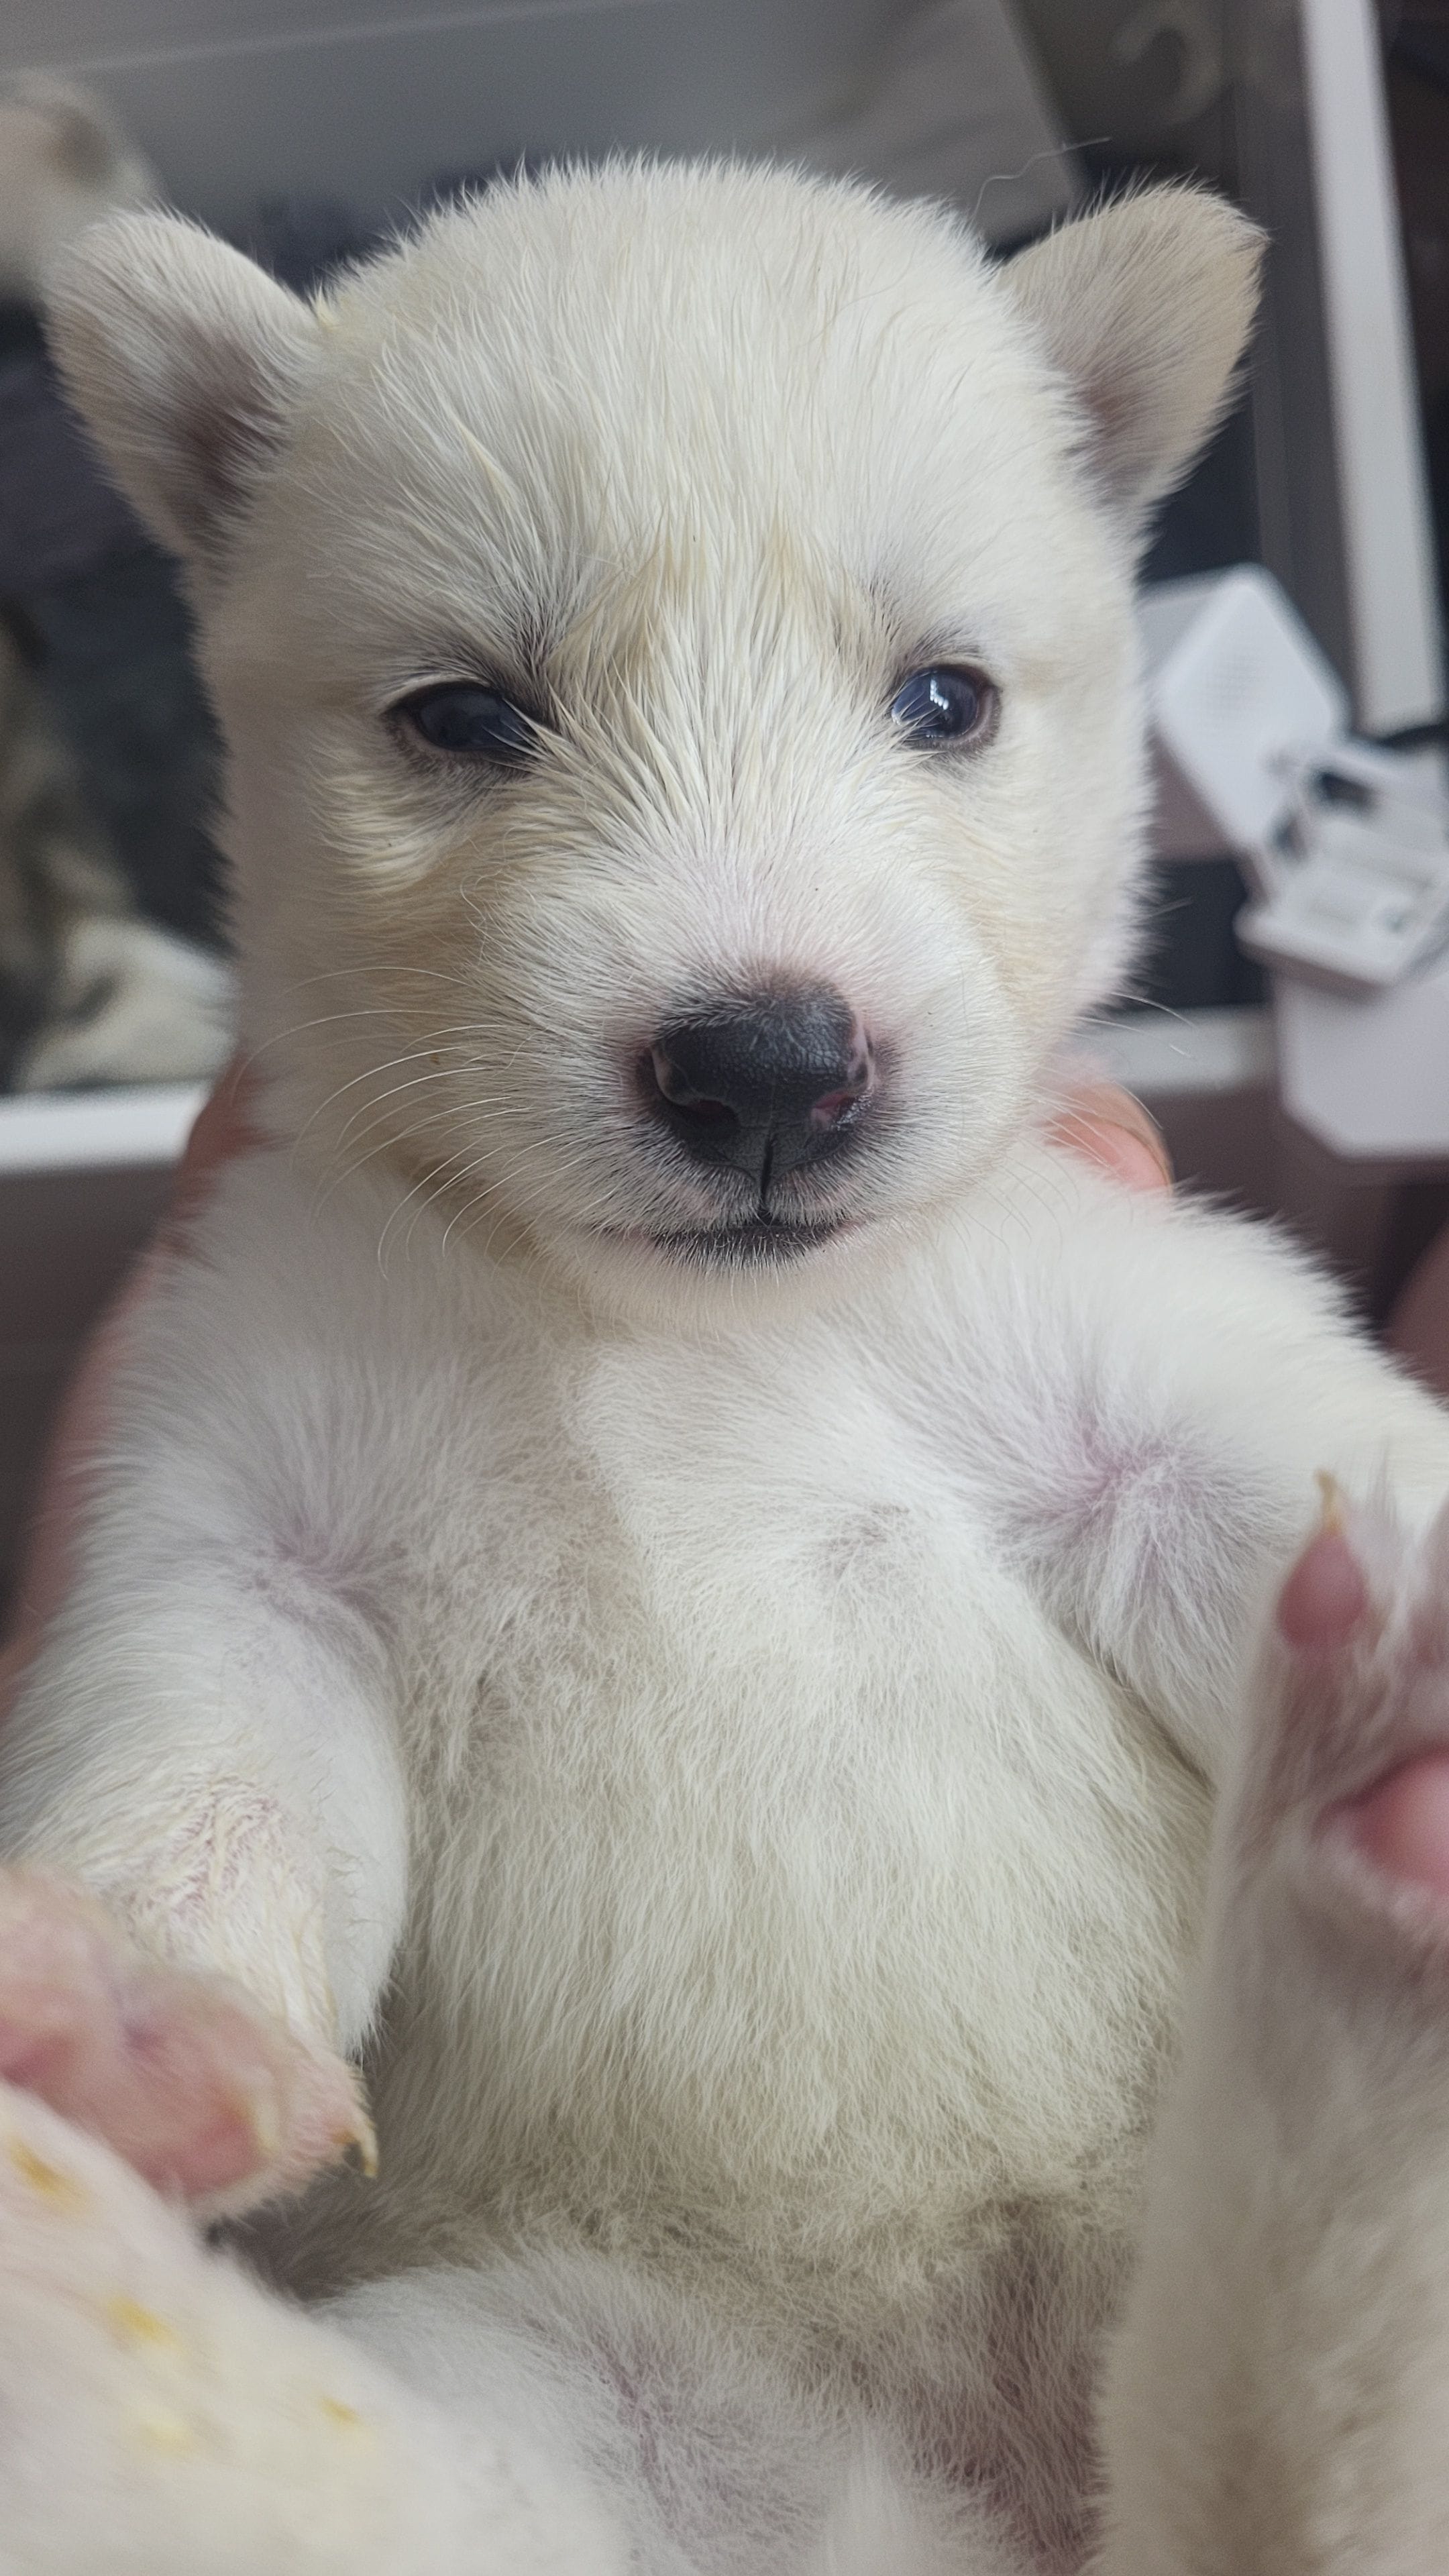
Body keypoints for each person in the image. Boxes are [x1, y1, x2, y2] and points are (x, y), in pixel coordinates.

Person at [13, 1063, 1445, 1719]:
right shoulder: (308, 1316)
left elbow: (1245, 1517)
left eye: (937, 706)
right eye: (476, 723)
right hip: (551, 2280)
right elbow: (256, 1647)